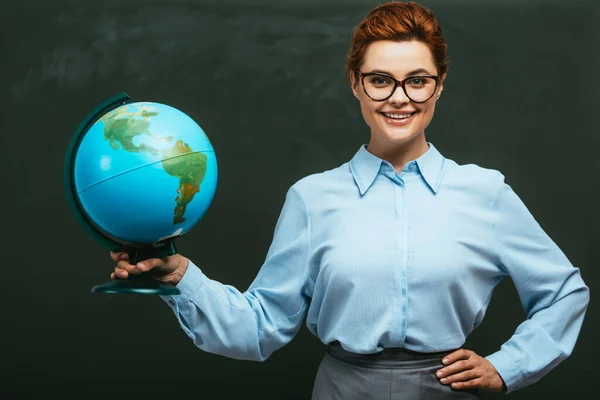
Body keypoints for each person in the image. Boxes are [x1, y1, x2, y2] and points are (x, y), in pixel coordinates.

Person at [109, 1, 590, 398]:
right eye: (380, 79)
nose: (399, 98)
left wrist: (508, 367)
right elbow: (259, 329)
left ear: (439, 84)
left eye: (417, 80)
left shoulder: (486, 194)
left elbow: (564, 292)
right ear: (356, 84)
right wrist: (180, 278)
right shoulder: (312, 199)